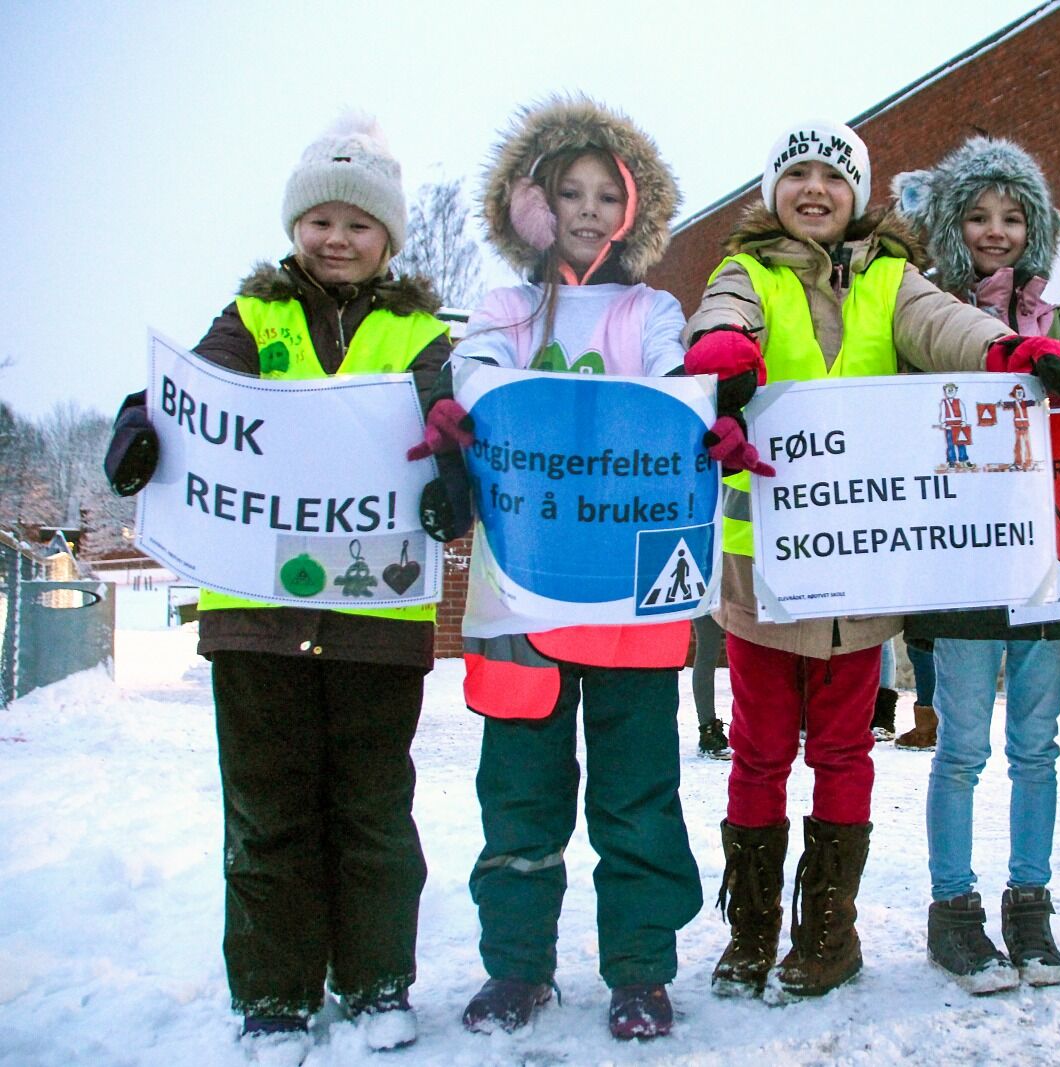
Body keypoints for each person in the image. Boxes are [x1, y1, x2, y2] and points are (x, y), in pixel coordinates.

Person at [681, 119, 1060, 1001]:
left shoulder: (888, 277)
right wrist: (720, 355)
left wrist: (1007, 348)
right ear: (773, 193)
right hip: (767, 570)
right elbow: (724, 317)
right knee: (758, 753)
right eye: (795, 174)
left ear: (858, 194)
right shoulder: (743, 269)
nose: (814, 190)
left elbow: (944, 325)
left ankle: (829, 932)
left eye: (832, 177)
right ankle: (751, 930)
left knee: (842, 751)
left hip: (866, 567)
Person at [104, 113, 449, 1061]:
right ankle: (275, 994)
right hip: (253, 618)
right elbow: (197, 398)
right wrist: (141, 417)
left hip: (377, 617)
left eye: (358, 224)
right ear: (295, 227)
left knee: (373, 809)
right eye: (319, 221)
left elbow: (447, 425)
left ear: (389, 238)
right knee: (268, 812)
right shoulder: (251, 318)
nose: (335, 239)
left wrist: (458, 467)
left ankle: (378, 979)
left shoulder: (422, 334)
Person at [417, 96, 702, 1040]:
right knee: (521, 793)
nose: (585, 210)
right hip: (517, 597)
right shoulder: (501, 309)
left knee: (638, 792)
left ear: (631, 211)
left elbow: (668, 384)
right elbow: (478, 375)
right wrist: (480, 402)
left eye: (603, 195)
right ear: (530, 203)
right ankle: (517, 968)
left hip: (629, 598)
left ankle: (639, 970)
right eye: (566, 191)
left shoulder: (650, 307)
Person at [892, 135, 1060, 992]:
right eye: (978, 214)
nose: (996, 230)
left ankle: (1029, 904)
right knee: (960, 748)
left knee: (1039, 745)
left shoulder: (1059, 317)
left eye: (1013, 214)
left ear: (1036, 227)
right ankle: (952, 911)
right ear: (954, 226)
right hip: (961, 570)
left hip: (1047, 567)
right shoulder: (925, 314)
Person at [693, 615, 733, 758]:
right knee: (708, 650)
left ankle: (753, 727)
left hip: (742, 594)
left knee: (748, 651)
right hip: (705, 596)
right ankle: (708, 731)